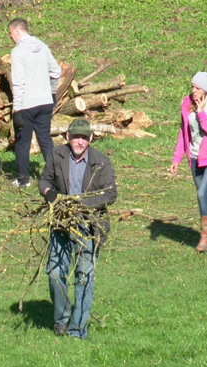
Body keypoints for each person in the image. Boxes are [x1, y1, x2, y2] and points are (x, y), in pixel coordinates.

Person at [39, 118, 117, 339]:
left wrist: (81, 205)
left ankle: (77, 330)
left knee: (84, 276)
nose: (79, 141)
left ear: (91, 138)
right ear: (67, 138)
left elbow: (110, 194)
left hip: (88, 225)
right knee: (55, 272)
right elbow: (44, 180)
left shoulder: (101, 162)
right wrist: (50, 194)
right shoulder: (57, 156)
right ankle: (62, 318)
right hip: (61, 223)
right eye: (75, 137)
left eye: (84, 137)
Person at [169, 71, 207, 252]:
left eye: (197, 88)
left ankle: (205, 236)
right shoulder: (187, 103)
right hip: (195, 158)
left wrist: (202, 114)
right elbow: (183, 132)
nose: (193, 91)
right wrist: (177, 157)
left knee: (202, 194)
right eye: (192, 87)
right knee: (206, 196)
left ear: (206, 90)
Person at [8, 17, 62, 187]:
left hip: (27, 105)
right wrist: (51, 93)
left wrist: (17, 109)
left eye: (10, 33)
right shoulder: (42, 46)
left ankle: (24, 179)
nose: (10, 37)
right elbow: (56, 71)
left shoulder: (17, 52)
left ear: (17, 31)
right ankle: (56, 177)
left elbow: (18, 82)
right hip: (46, 102)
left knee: (23, 142)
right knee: (45, 139)